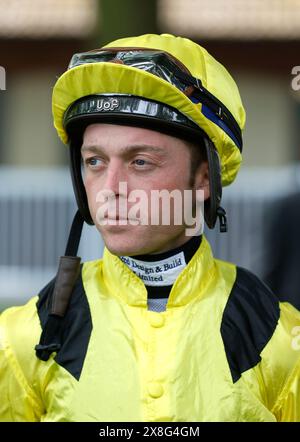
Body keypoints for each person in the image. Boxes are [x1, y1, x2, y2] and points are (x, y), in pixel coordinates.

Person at [0, 33, 300, 422]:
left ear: (204, 179)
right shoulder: (23, 338)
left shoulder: (278, 338)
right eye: (94, 161)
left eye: (140, 162)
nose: (109, 190)